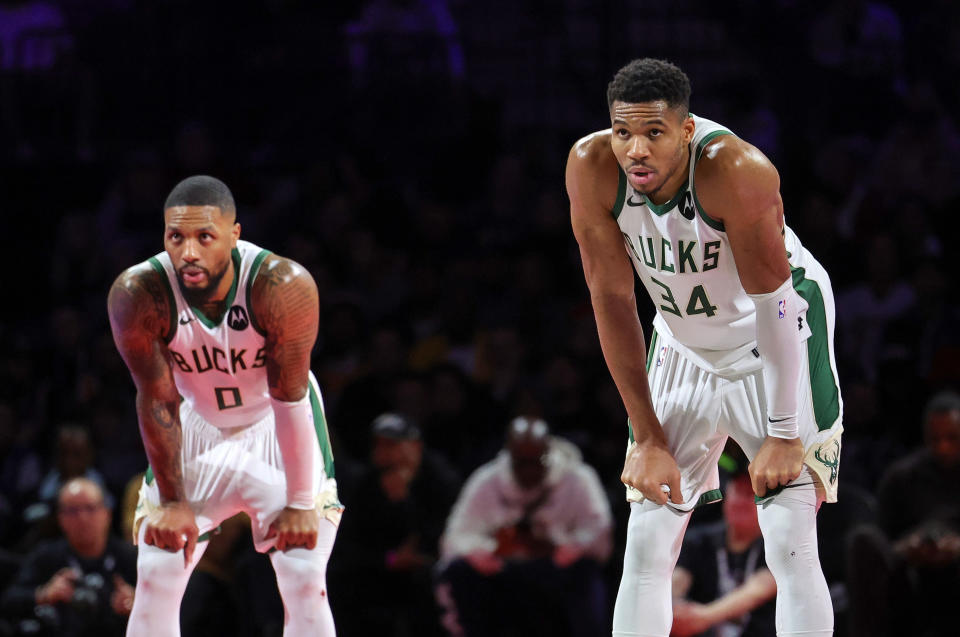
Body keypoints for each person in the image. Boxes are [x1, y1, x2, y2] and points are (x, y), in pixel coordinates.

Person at [565, 58, 842, 637]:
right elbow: (613, 299)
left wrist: (785, 433)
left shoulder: (736, 170)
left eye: (653, 133)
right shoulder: (591, 167)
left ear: (686, 131)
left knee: (790, 538)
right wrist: (645, 437)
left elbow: (777, 305)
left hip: (774, 335)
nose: (635, 149)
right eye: (623, 133)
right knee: (646, 537)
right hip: (681, 338)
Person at [106, 175, 342, 637]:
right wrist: (173, 502)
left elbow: (289, 395)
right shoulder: (138, 293)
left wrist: (298, 502)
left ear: (234, 236)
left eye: (204, 237)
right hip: (193, 422)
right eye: (176, 237)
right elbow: (157, 397)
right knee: (156, 573)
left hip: (274, 423)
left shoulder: (281, 285)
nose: (188, 252)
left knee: (303, 576)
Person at [436, 416, 613, 637]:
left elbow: (599, 532)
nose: (529, 470)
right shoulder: (487, 480)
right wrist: (485, 550)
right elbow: (455, 536)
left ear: (547, 454)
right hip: (503, 570)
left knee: (586, 574)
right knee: (458, 571)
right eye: (521, 462)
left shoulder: (577, 478)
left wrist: (567, 546)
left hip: (555, 569)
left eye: (536, 461)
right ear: (510, 456)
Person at [330, 412, 461, 636]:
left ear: (416, 446)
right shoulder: (364, 484)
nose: (384, 453)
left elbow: (447, 532)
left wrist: (404, 504)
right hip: (380, 569)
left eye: (392, 445)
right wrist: (389, 559)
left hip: (430, 568)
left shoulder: (441, 480)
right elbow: (349, 543)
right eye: (378, 445)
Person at [845, 390, 960, 637]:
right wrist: (908, 548)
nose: (943, 447)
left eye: (952, 438)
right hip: (909, 577)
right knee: (862, 540)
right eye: (935, 439)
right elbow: (882, 538)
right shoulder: (904, 477)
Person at [1, 477, 137, 637]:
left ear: (107, 513)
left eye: (90, 508)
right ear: (60, 518)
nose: (82, 518)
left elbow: (168, 609)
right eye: (72, 511)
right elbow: (8, 601)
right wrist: (43, 594)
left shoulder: (131, 557)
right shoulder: (46, 556)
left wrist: (137, 605)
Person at [671, 472, 777, 637]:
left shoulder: (776, 545)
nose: (741, 501)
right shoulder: (698, 541)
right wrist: (673, 607)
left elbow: (759, 589)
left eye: (750, 494)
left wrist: (703, 617)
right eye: (738, 491)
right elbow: (677, 582)